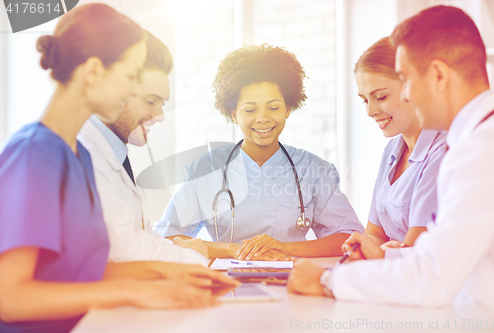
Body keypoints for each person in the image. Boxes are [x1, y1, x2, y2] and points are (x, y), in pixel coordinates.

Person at [0, 5, 237, 332]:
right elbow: (9, 299)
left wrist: (168, 272)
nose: (130, 92)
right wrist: (131, 291)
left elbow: (85, 271)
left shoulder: (77, 154)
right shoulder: (35, 154)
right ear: (94, 72)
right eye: (128, 77)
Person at [287, 5, 494, 316]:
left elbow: (433, 278)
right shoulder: (476, 141)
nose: (408, 96)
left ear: (439, 76)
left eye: (405, 80)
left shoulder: (485, 149)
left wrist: (328, 280)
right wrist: (386, 259)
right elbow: (441, 255)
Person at [154, 44, 364, 260]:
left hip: (295, 283)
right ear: (234, 114)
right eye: (250, 110)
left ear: (288, 109)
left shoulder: (316, 170)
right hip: (224, 286)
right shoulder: (204, 170)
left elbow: (349, 236)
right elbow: (166, 237)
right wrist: (232, 250)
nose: (262, 118)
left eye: (273, 108)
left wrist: (286, 249)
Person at [78, 30, 209, 266]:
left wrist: (180, 248)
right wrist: (194, 256)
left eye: (163, 104)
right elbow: (126, 251)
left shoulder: (117, 153)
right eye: (151, 101)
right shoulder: (83, 153)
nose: (160, 116)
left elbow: (142, 236)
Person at [354, 37, 447, 249]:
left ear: (411, 87)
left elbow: (416, 251)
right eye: (365, 100)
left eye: (381, 96)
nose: (370, 111)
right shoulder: (392, 151)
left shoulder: (442, 151)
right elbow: (375, 234)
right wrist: (363, 249)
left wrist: (381, 253)